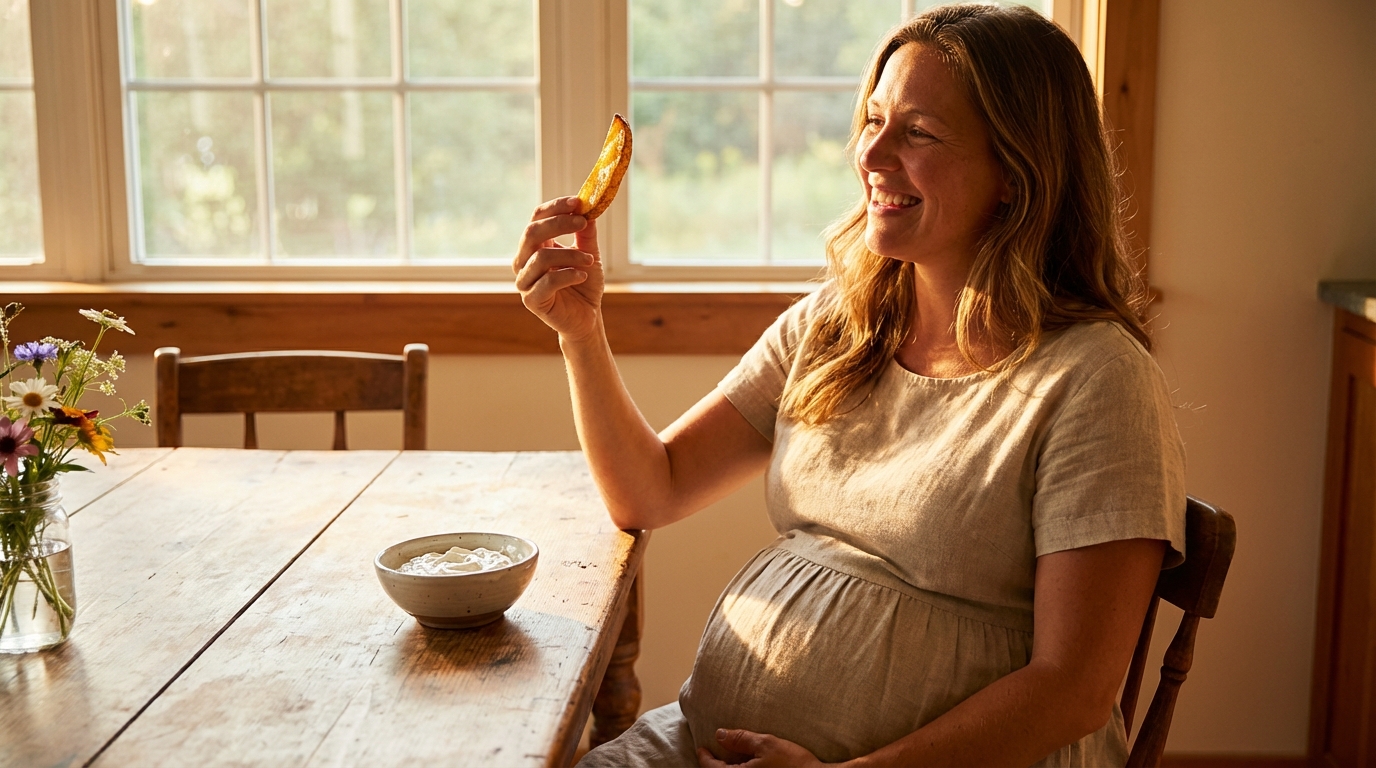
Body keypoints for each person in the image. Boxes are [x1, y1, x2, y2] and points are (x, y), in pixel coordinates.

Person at [512, 4, 1184, 766]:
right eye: (872, 119)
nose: (871, 153)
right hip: (704, 742)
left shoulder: (1098, 379)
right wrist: (580, 333)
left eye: (918, 132)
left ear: (1015, 172)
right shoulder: (837, 325)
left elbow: (1074, 688)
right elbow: (651, 489)